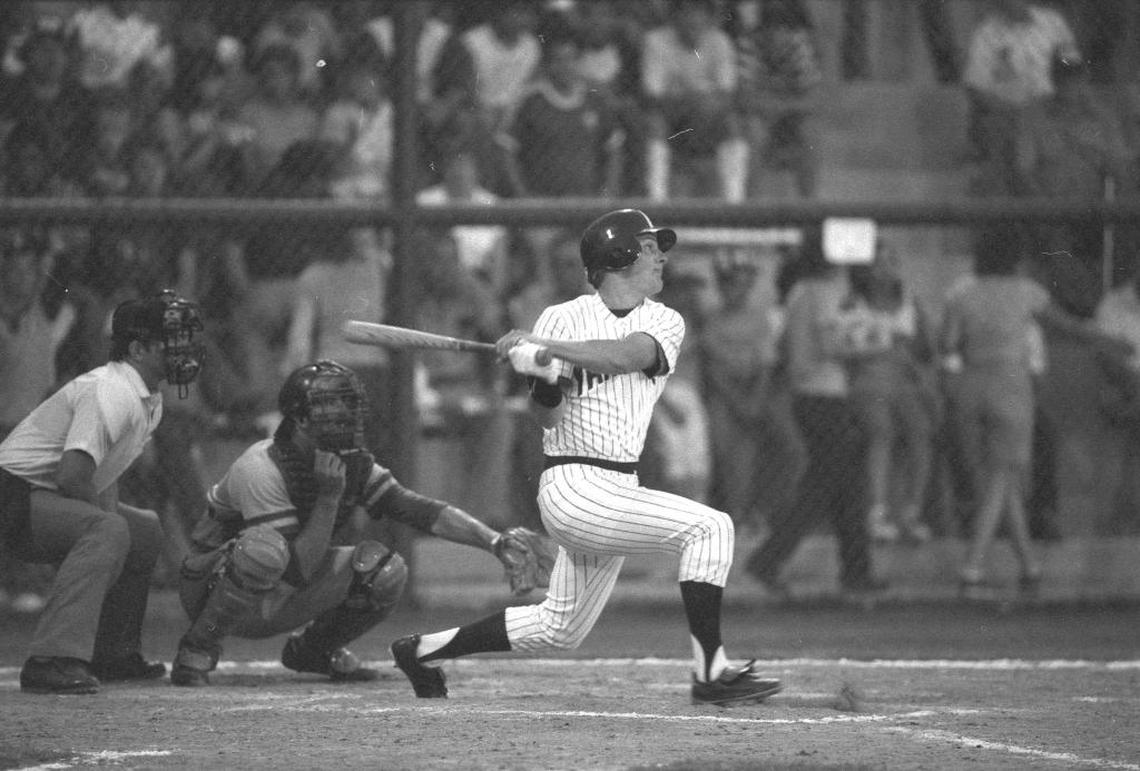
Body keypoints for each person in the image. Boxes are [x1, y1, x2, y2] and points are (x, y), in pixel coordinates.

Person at [388, 208, 783, 707]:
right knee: (710, 528)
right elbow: (547, 417)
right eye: (648, 247)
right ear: (617, 256)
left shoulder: (663, 320)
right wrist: (542, 375)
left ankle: (422, 651)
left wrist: (543, 348)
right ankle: (711, 672)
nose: (661, 256)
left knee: (560, 628)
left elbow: (624, 356)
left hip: (619, 488)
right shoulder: (562, 315)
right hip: (573, 486)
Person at [167, 360, 539, 687]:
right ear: (299, 418)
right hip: (212, 587)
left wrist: (494, 542)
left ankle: (312, 651)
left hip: (280, 588)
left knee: (384, 570)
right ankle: (197, 647)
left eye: (347, 402)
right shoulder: (261, 466)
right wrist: (329, 499)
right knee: (265, 550)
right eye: (329, 404)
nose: (343, 412)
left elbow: (418, 510)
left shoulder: (351, 461)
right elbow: (294, 572)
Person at [0, 290, 206, 694]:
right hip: (12, 494)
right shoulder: (112, 389)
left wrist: (111, 532)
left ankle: (112, 653)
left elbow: (103, 474)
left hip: (35, 496)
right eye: (173, 340)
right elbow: (72, 475)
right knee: (108, 530)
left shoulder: (147, 396)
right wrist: (104, 533)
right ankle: (51, 659)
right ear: (138, 348)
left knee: (142, 529)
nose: (186, 349)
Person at [742, 225, 883, 598]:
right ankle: (768, 560)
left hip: (816, 394)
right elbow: (831, 342)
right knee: (821, 488)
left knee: (847, 486)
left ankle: (856, 571)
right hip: (823, 395)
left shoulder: (805, 290)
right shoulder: (822, 292)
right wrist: (873, 344)